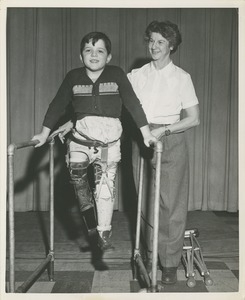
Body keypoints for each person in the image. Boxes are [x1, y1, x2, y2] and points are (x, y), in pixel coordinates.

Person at [32, 32, 156, 257]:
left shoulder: (117, 74)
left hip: (109, 144)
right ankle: (90, 222)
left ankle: (103, 233)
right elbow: (57, 104)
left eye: (100, 51)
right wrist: (43, 133)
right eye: (88, 50)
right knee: (78, 178)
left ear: (109, 56)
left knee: (105, 189)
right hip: (79, 140)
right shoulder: (73, 77)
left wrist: (146, 133)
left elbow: (132, 103)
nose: (94, 55)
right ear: (81, 56)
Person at [127, 20, 200, 285]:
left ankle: (169, 263)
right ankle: (150, 257)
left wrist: (164, 130)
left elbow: (193, 118)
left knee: (172, 203)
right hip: (142, 139)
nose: (154, 46)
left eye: (160, 41)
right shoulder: (136, 75)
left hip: (171, 139)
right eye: (151, 41)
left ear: (171, 45)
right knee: (146, 202)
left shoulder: (182, 77)